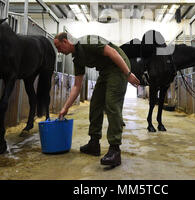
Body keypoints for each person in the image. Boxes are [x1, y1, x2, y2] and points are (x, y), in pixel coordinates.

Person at [53, 32, 140, 167]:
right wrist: (65, 107)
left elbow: (113, 53)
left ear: (65, 41)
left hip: (118, 66)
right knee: (95, 104)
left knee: (111, 104)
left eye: (58, 47)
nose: (58, 51)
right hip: (105, 71)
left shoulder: (88, 42)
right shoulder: (77, 59)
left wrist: (127, 73)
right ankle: (94, 144)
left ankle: (115, 150)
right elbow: (77, 86)